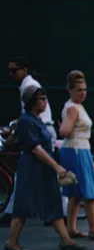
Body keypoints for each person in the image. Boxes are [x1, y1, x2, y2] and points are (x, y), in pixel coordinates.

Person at [4, 86, 84, 250]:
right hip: (33, 167)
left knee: (53, 201)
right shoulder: (27, 121)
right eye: (41, 99)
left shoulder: (35, 119)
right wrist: (56, 167)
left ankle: (65, 240)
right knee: (24, 204)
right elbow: (36, 149)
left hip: (42, 167)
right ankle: (12, 242)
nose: (45, 102)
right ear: (32, 101)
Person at [2, 57, 58, 225]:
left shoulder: (28, 87)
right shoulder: (28, 85)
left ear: (24, 70)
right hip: (42, 129)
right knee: (46, 177)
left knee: (30, 176)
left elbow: (27, 115)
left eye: (14, 70)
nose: (11, 74)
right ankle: (55, 216)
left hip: (41, 130)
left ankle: (13, 212)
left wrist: (13, 129)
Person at [59, 70, 94, 241]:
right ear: (70, 90)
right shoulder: (73, 109)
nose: (83, 93)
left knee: (75, 192)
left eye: (84, 89)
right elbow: (65, 130)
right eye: (79, 90)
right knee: (89, 190)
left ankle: (71, 228)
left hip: (78, 149)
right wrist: (67, 127)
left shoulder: (75, 106)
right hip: (77, 150)